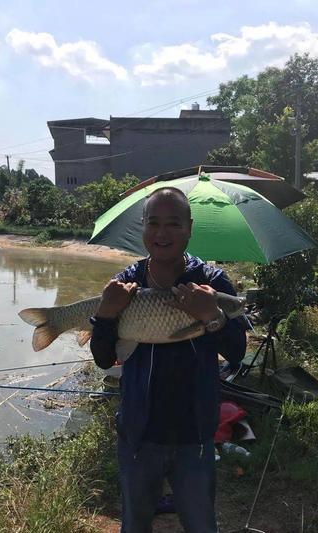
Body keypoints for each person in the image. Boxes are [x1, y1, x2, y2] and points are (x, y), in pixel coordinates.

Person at [90, 187, 246, 533]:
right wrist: (104, 316)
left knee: (202, 524)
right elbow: (103, 358)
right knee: (135, 523)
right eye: (154, 223)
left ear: (189, 228)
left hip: (196, 433)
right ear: (143, 227)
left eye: (173, 224)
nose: (162, 233)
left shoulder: (211, 282)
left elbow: (236, 352)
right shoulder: (124, 284)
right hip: (139, 433)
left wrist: (213, 317)